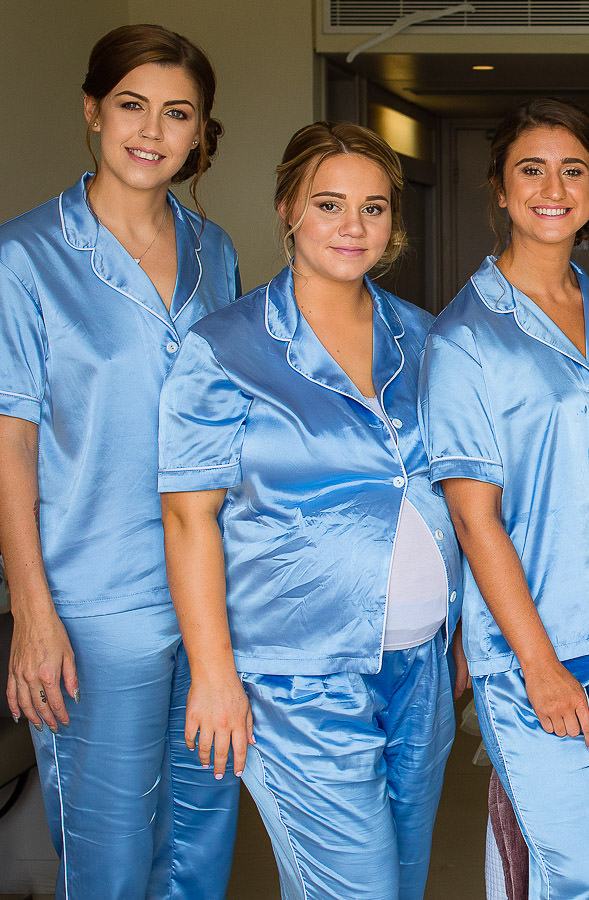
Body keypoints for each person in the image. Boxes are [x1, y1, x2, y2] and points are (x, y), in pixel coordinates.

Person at [157, 121, 460, 900]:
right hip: (294, 674)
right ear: (288, 207)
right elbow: (190, 520)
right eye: (329, 204)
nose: (352, 227)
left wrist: (466, 635)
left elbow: (456, 494)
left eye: (374, 207)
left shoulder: (424, 338)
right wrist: (215, 674)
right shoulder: (226, 347)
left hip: (419, 667)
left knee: (401, 881)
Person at [0, 24, 240, 898]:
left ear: (198, 132)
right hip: (93, 603)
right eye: (133, 106)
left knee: (203, 833)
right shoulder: (24, 260)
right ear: (94, 112)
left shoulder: (216, 253)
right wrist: (31, 611)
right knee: (106, 857)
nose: (152, 130)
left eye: (177, 114)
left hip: (211, 595)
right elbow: (11, 443)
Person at [420, 97, 589, 900]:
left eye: (573, 169)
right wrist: (541, 665)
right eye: (531, 168)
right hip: (535, 653)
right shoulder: (464, 340)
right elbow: (473, 517)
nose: (553, 186)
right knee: (585, 869)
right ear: (498, 186)